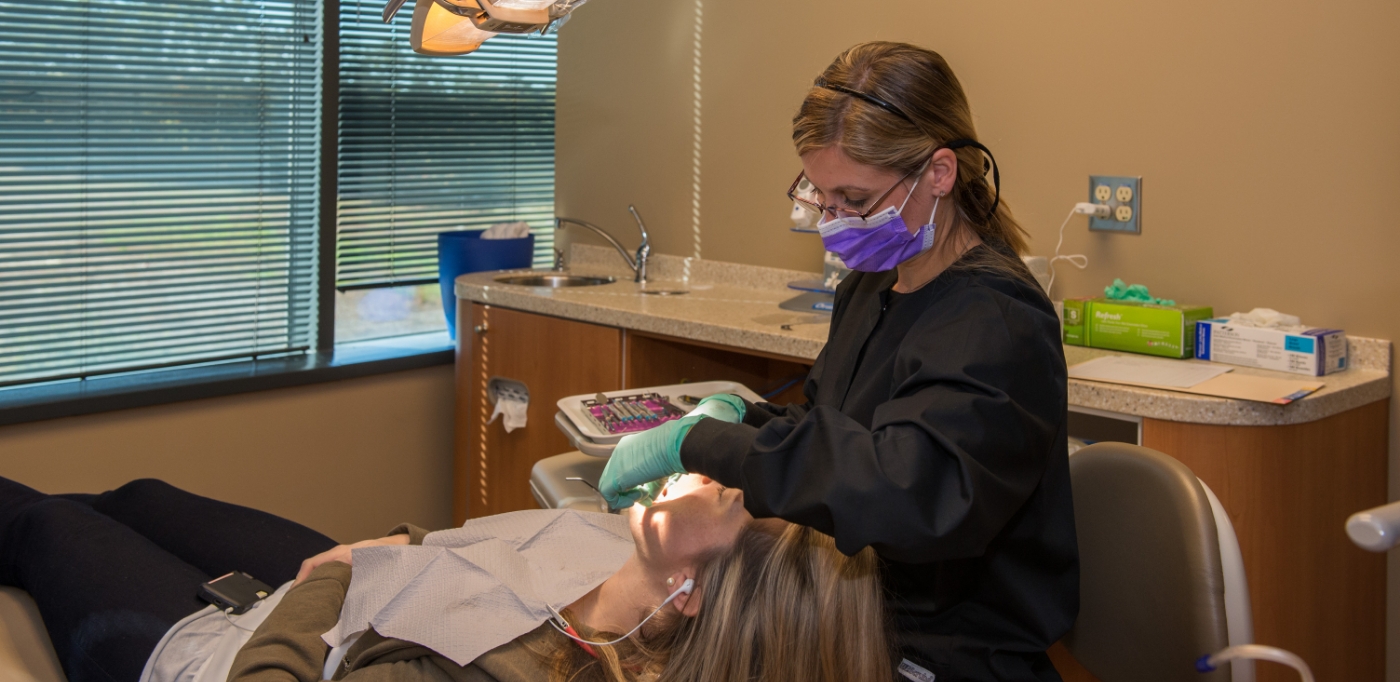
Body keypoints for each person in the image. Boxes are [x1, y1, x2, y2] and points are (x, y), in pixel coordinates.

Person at [599, 41, 1078, 682]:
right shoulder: (873, 287)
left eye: (855, 198)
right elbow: (838, 436)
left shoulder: (997, 322)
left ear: (939, 174)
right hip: (851, 628)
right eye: (820, 196)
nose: (834, 221)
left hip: (950, 656)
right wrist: (747, 418)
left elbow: (904, 494)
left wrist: (707, 445)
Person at [0, 474, 890, 682]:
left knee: (47, 525)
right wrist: (399, 541)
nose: (731, 483)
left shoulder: (482, 669)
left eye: (735, 509)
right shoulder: (621, 558)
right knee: (138, 496)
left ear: (690, 593)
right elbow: (502, 548)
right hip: (378, 580)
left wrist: (332, 581)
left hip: (276, 644)